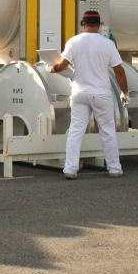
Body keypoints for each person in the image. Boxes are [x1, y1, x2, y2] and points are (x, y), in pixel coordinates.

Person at [49, 10, 129, 179]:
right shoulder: (108, 44)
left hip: (79, 92)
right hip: (101, 93)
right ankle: (114, 169)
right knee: (107, 131)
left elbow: (62, 65)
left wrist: (53, 68)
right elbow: (119, 71)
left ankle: (70, 169)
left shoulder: (74, 42)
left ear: (83, 24)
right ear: (99, 25)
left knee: (75, 131)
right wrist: (124, 92)